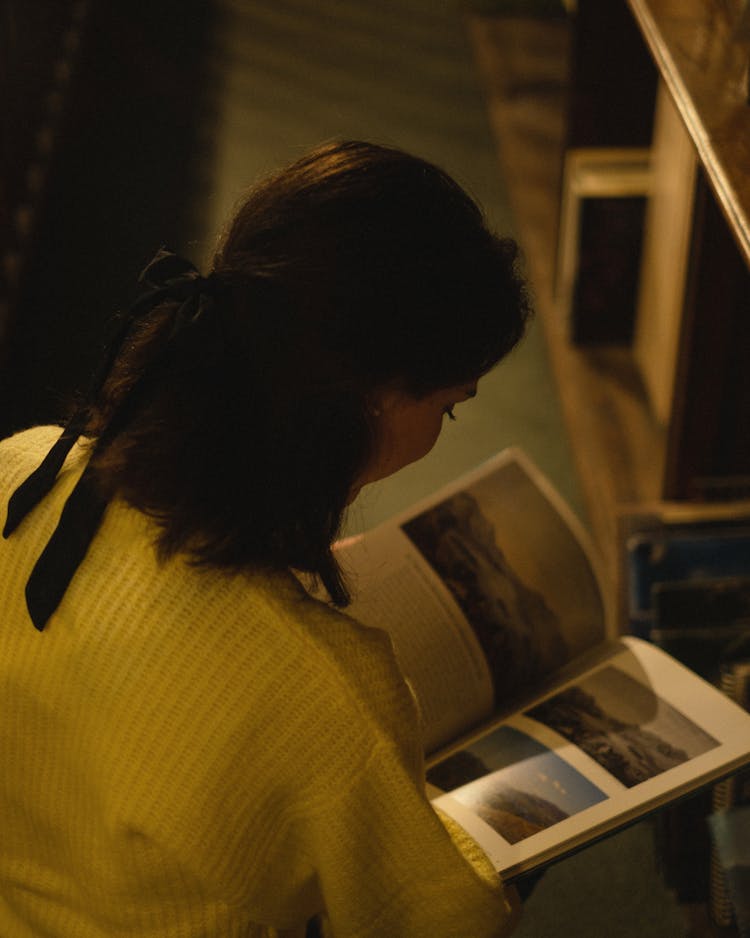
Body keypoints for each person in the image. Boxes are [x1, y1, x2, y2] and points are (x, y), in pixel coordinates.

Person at [0, 140, 531, 937]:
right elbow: (446, 919)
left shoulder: (17, 469)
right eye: (448, 406)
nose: (439, 431)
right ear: (373, 401)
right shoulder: (325, 690)